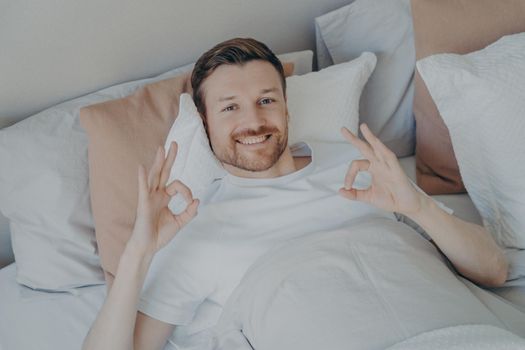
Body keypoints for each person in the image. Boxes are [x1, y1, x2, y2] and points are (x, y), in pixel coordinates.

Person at [82, 38, 508, 350]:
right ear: (206, 123)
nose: (253, 121)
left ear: (287, 107)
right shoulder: (194, 225)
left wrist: (419, 209)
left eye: (266, 100)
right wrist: (138, 252)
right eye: (230, 107)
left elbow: (494, 271)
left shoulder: (357, 163)